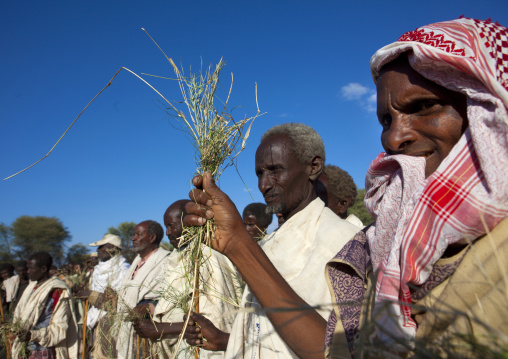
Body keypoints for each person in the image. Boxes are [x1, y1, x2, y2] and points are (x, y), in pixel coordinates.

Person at [325, 17, 508, 357]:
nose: (394, 137)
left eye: (424, 107)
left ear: (487, 109)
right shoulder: (381, 242)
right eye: (386, 120)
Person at [184, 123, 361, 358]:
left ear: (313, 167)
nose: (264, 185)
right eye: (260, 173)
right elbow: (268, 335)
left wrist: (237, 244)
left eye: (275, 170)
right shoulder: (269, 243)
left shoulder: (345, 243)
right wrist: (226, 340)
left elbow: (332, 351)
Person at [134, 200, 240, 358]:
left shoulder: (207, 257)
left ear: (191, 223)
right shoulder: (179, 257)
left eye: (171, 225)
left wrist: (160, 329)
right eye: (166, 227)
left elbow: (214, 321)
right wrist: (153, 309)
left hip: (203, 351)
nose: (168, 232)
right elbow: (175, 302)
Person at [116, 220, 170, 359]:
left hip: (148, 334)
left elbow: (170, 297)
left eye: (138, 234)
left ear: (152, 238)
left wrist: (150, 307)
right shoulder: (136, 263)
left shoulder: (166, 262)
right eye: (133, 234)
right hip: (128, 331)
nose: (133, 238)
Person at [11, 251, 78, 359]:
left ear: (43, 269)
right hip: (27, 348)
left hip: (45, 350)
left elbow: (60, 328)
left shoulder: (57, 291)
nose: (28, 272)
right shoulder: (31, 287)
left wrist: (33, 335)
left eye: (31, 269)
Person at [75, 234, 130, 357]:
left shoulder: (123, 270)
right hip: (94, 320)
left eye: (101, 247)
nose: (97, 250)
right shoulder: (97, 270)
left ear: (112, 248)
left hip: (110, 325)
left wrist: (89, 295)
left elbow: (115, 303)